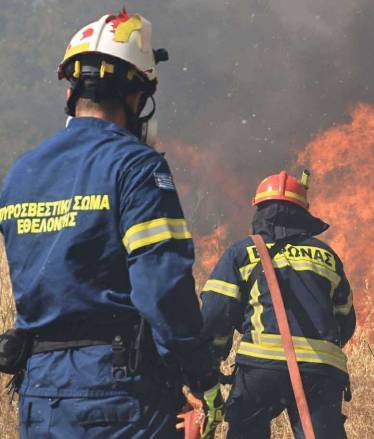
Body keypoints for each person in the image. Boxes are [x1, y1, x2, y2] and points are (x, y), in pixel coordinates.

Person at [0, 10, 215, 438]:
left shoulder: (21, 173)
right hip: (119, 396)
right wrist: (201, 374)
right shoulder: (137, 166)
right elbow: (162, 289)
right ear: (138, 97)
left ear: (71, 92)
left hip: (40, 394)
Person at [200, 170, 355, 438]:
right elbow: (345, 319)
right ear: (303, 212)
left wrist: (211, 360)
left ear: (259, 209)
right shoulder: (326, 256)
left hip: (260, 370)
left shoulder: (243, 251)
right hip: (320, 371)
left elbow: (216, 312)